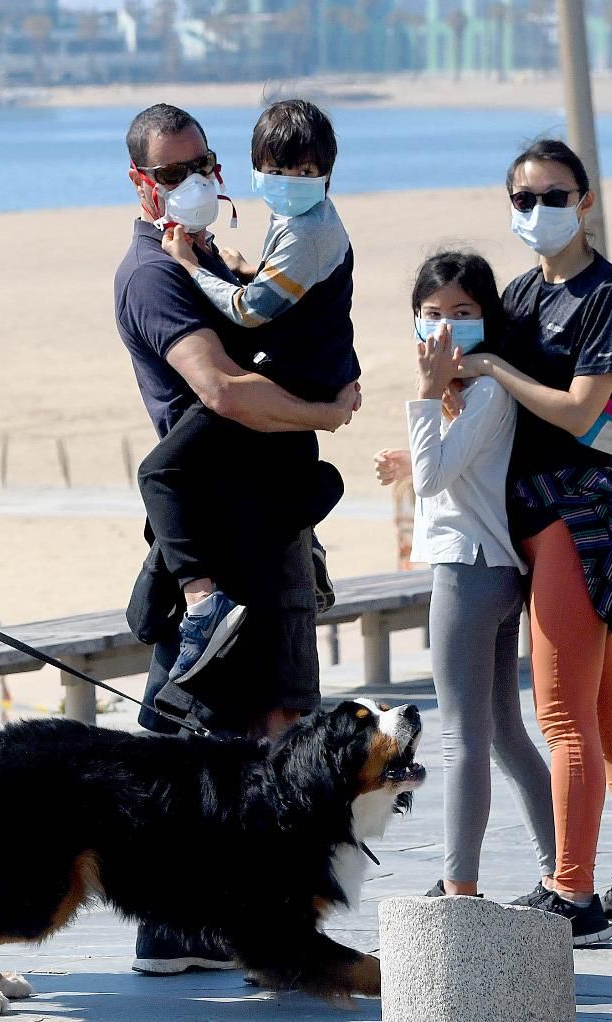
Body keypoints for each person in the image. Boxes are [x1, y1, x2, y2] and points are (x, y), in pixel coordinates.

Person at [113, 103, 359, 974]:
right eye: (174, 173)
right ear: (142, 184)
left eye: (204, 163)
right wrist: (326, 412)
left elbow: (268, 315)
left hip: (262, 517)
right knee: (245, 734)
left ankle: (207, 925)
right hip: (226, 527)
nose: (199, 183)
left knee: (247, 731)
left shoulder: (215, 253)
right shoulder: (153, 274)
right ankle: (203, 925)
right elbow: (223, 392)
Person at [455, 139, 612, 944]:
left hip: (576, 520)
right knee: (604, 711)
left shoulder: (606, 292)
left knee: (563, 717)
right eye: (522, 199)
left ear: (585, 201)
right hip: (528, 518)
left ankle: (575, 894)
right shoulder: (518, 294)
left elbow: (587, 408)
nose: (537, 211)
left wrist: (494, 368)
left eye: (554, 196)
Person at [149, 98, 359, 691]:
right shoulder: (300, 221)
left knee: (160, 474)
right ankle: (302, 538)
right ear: (257, 168)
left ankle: (204, 601)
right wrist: (240, 265)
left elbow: (250, 311)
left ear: (326, 174)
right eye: (277, 169)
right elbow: (276, 287)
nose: (289, 183)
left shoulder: (308, 229)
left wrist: (191, 266)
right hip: (310, 366)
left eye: (303, 171)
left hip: (296, 375)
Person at [373, 251, 557, 900]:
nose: (445, 327)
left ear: (487, 318)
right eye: (431, 315)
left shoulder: (485, 389)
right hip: (496, 570)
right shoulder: (474, 393)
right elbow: (454, 473)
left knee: (463, 742)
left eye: (462, 313)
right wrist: (411, 451)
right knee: (505, 736)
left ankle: (460, 889)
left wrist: (423, 398)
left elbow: (435, 477)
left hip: (466, 573)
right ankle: (562, 874)